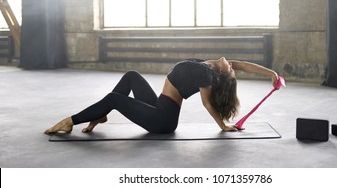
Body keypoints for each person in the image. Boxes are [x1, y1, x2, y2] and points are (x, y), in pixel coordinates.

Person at [44, 57, 278, 134]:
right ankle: (100, 115)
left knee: (114, 99)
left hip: (162, 121)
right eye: (233, 68)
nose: (233, 66)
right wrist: (271, 72)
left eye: (232, 71)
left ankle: (69, 121)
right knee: (132, 75)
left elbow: (207, 103)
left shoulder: (209, 75)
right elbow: (246, 65)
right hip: (159, 105)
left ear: (222, 74)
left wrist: (223, 125)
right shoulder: (212, 65)